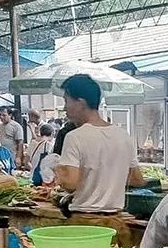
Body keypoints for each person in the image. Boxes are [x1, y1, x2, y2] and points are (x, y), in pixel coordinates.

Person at [56, 74, 145, 212]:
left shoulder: (75, 137)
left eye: (66, 101)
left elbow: (71, 184)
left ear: (80, 102)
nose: (64, 108)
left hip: (84, 220)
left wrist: (56, 170)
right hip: (116, 221)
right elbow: (136, 179)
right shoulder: (123, 136)